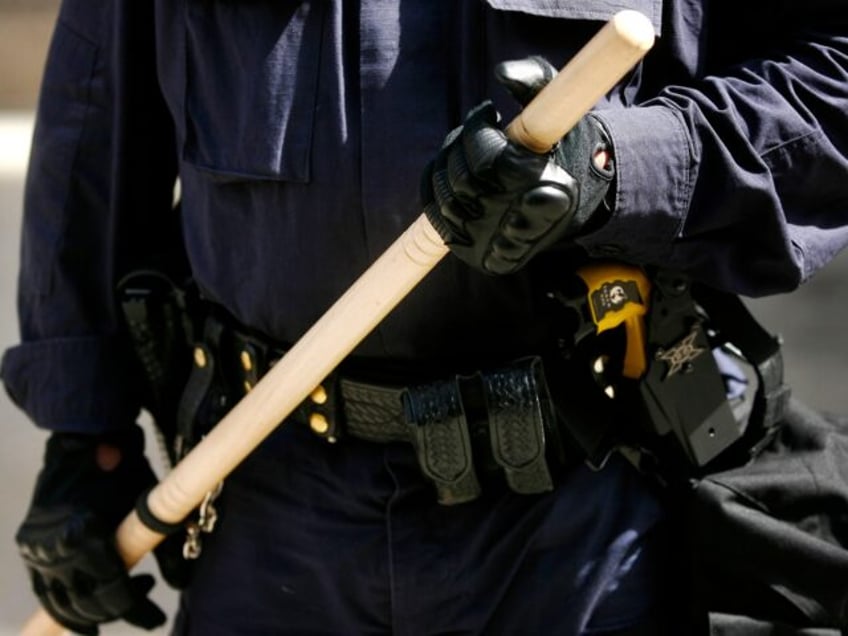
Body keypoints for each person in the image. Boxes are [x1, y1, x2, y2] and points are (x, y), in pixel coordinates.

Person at [3, 1, 848, 634]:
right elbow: (94, 127)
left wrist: (615, 163)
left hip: (584, 507)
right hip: (270, 504)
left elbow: (831, 80)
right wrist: (87, 434)